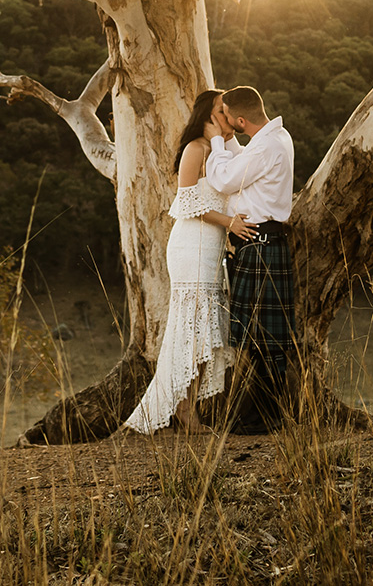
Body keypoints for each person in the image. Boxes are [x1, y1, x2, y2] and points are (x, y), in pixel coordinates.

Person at [122, 89, 254, 435]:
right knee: (190, 332)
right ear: (209, 116)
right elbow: (186, 203)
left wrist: (223, 140)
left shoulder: (225, 151)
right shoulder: (196, 149)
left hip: (212, 249)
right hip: (190, 246)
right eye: (221, 111)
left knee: (205, 332)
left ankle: (185, 407)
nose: (228, 115)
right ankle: (181, 411)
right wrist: (230, 224)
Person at [204, 84, 297, 432]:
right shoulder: (273, 138)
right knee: (261, 340)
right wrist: (228, 141)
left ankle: (263, 418)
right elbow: (243, 161)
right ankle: (261, 416)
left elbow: (225, 179)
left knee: (263, 342)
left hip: (260, 245)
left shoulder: (266, 147)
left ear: (240, 119)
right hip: (260, 244)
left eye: (227, 116)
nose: (224, 121)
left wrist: (215, 140)